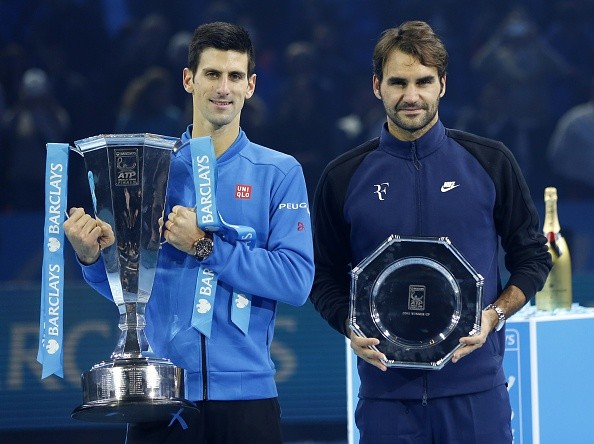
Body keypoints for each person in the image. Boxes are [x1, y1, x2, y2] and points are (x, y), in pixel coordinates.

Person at [64, 22, 314, 443]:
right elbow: (134, 288)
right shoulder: (151, 168)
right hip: (159, 395)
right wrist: (91, 259)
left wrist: (205, 246)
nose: (224, 88)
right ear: (189, 80)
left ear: (251, 86)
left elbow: (296, 281)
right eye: (212, 74)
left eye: (235, 76)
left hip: (247, 399)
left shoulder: (279, 172)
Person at [309, 21, 552, 444]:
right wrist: (349, 326)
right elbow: (321, 273)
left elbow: (533, 257)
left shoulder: (490, 162)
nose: (411, 96)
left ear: (442, 84)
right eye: (398, 82)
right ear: (376, 86)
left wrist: (493, 316)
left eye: (423, 81)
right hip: (387, 396)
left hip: (476, 393)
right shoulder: (343, 176)